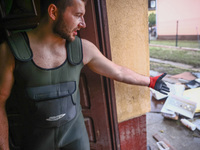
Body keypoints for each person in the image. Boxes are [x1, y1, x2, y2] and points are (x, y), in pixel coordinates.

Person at [0, 0, 169, 149]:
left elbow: (118, 71)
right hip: (35, 141)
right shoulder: (12, 50)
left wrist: (150, 81)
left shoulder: (83, 49)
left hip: (75, 138)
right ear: (53, 12)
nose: (83, 24)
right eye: (78, 15)